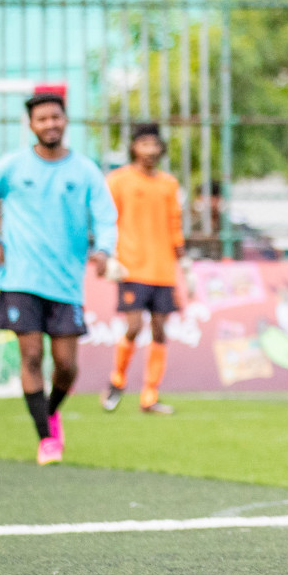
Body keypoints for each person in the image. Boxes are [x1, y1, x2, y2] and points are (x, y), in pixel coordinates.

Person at [0, 93, 117, 465]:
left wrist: (103, 250)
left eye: (56, 117)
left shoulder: (84, 170)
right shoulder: (13, 166)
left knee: (66, 366)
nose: (50, 124)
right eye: (42, 119)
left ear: (65, 121)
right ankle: (46, 438)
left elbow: (105, 214)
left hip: (66, 282)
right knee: (31, 355)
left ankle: (51, 411)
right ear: (31, 125)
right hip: (19, 278)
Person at [103, 124, 185, 415]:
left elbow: (174, 223)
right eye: (143, 144)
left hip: (163, 269)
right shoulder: (118, 180)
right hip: (132, 267)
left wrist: (182, 258)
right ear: (134, 147)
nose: (149, 150)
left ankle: (150, 394)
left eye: (154, 144)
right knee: (134, 326)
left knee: (160, 330)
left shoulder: (169, 184)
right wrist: (106, 254)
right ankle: (117, 380)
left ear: (161, 148)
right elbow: (105, 218)